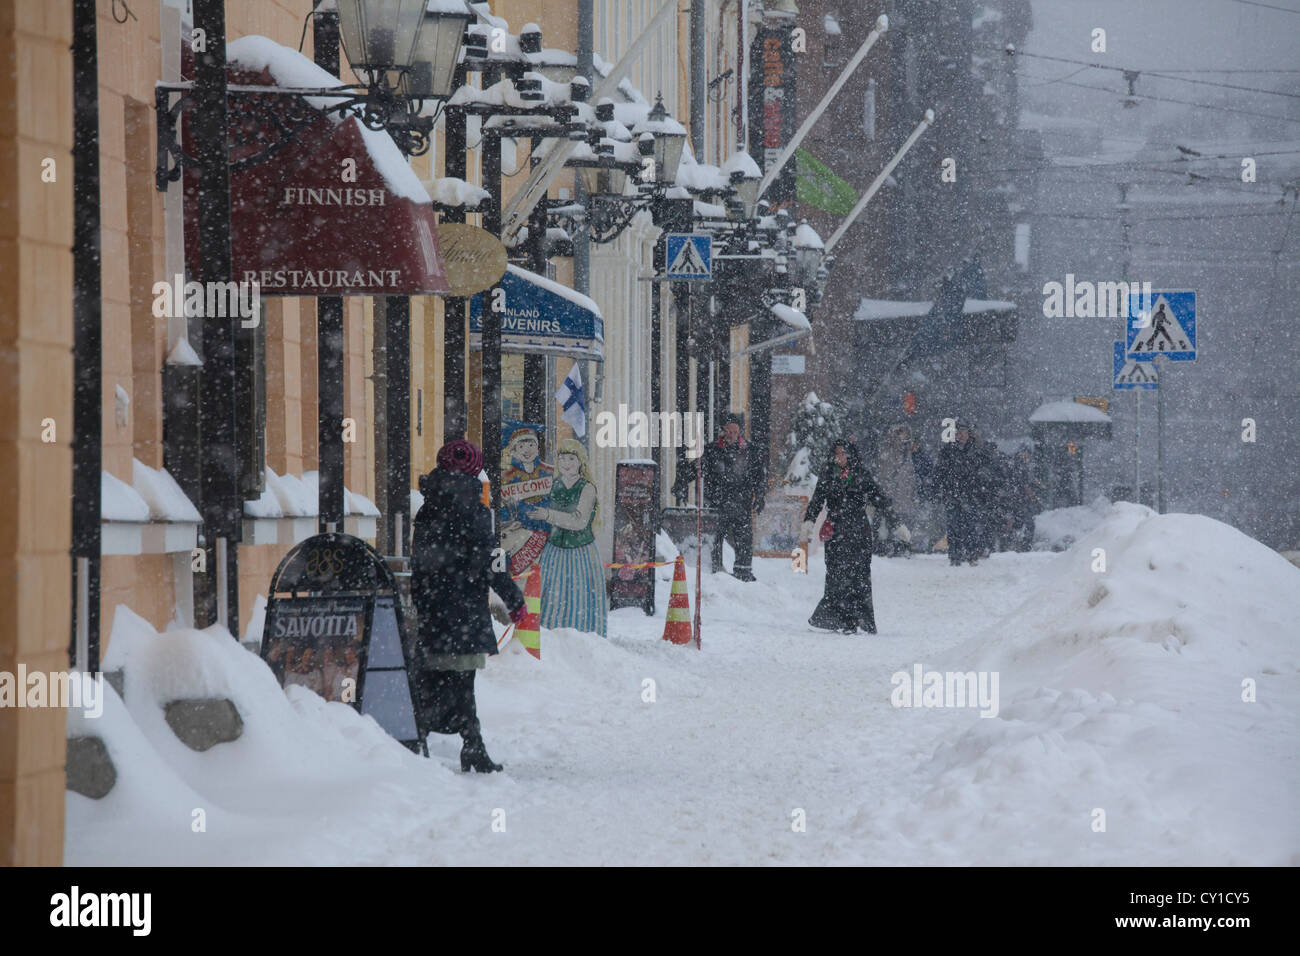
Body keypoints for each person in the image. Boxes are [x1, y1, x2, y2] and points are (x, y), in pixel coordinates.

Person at [411, 439, 528, 773]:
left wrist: (421, 599)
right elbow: (489, 560)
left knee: (432, 679)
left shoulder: (427, 507)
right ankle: (471, 745)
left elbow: (419, 562)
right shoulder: (475, 510)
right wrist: (514, 598)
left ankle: (428, 742)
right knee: (462, 682)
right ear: (474, 469)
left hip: (435, 607)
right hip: (463, 607)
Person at [799, 439, 901, 634]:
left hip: (858, 531)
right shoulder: (828, 473)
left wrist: (896, 523)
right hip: (836, 531)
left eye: (843, 454)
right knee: (836, 574)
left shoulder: (861, 474)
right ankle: (842, 619)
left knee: (858, 575)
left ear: (850, 455)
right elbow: (817, 499)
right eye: (836, 454)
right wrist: (808, 522)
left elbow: (879, 499)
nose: (839, 458)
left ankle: (857, 619)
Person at [529, 438, 609, 637]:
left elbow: (578, 521)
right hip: (554, 551)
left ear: (581, 462)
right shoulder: (554, 484)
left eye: (571, 459)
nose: (566, 463)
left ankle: (581, 639)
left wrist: (548, 515)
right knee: (550, 597)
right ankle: (549, 637)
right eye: (562, 458)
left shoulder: (587, 488)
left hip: (580, 552)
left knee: (578, 596)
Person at [676, 415, 765, 581]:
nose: (732, 435)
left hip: (741, 503)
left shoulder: (750, 451)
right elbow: (694, 469)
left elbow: (759, 475)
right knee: (714, 541)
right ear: (723, 431)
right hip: (716, 506)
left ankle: (743, 573)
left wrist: (760, 495)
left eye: (735, 431)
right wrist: (680, 485)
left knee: (744, 539)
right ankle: (715, 575)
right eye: (729, 431)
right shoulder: (711, 451)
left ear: (740, 432)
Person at [935, 421, 989, 566]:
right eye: (958, 433)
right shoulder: (947, 451)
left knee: (970, 525)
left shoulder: (976, 450)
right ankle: (955, 556)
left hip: (970, 495)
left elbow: (984, 471)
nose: (961, 436)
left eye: (964, 432)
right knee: (954, 526)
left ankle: (971, 554)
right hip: (953, 494)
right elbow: (940, 472)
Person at [873, 424, 920, 556]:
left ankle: (902, 546)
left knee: (903, 521)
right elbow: (883, 473)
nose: (903, 438)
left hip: (905, 494)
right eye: (901, 434)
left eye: (905, 435)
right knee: (890, 521)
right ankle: (888, 547)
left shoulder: (909, 453)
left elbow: (914, 474)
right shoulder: (887, 452)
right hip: (891, 494)